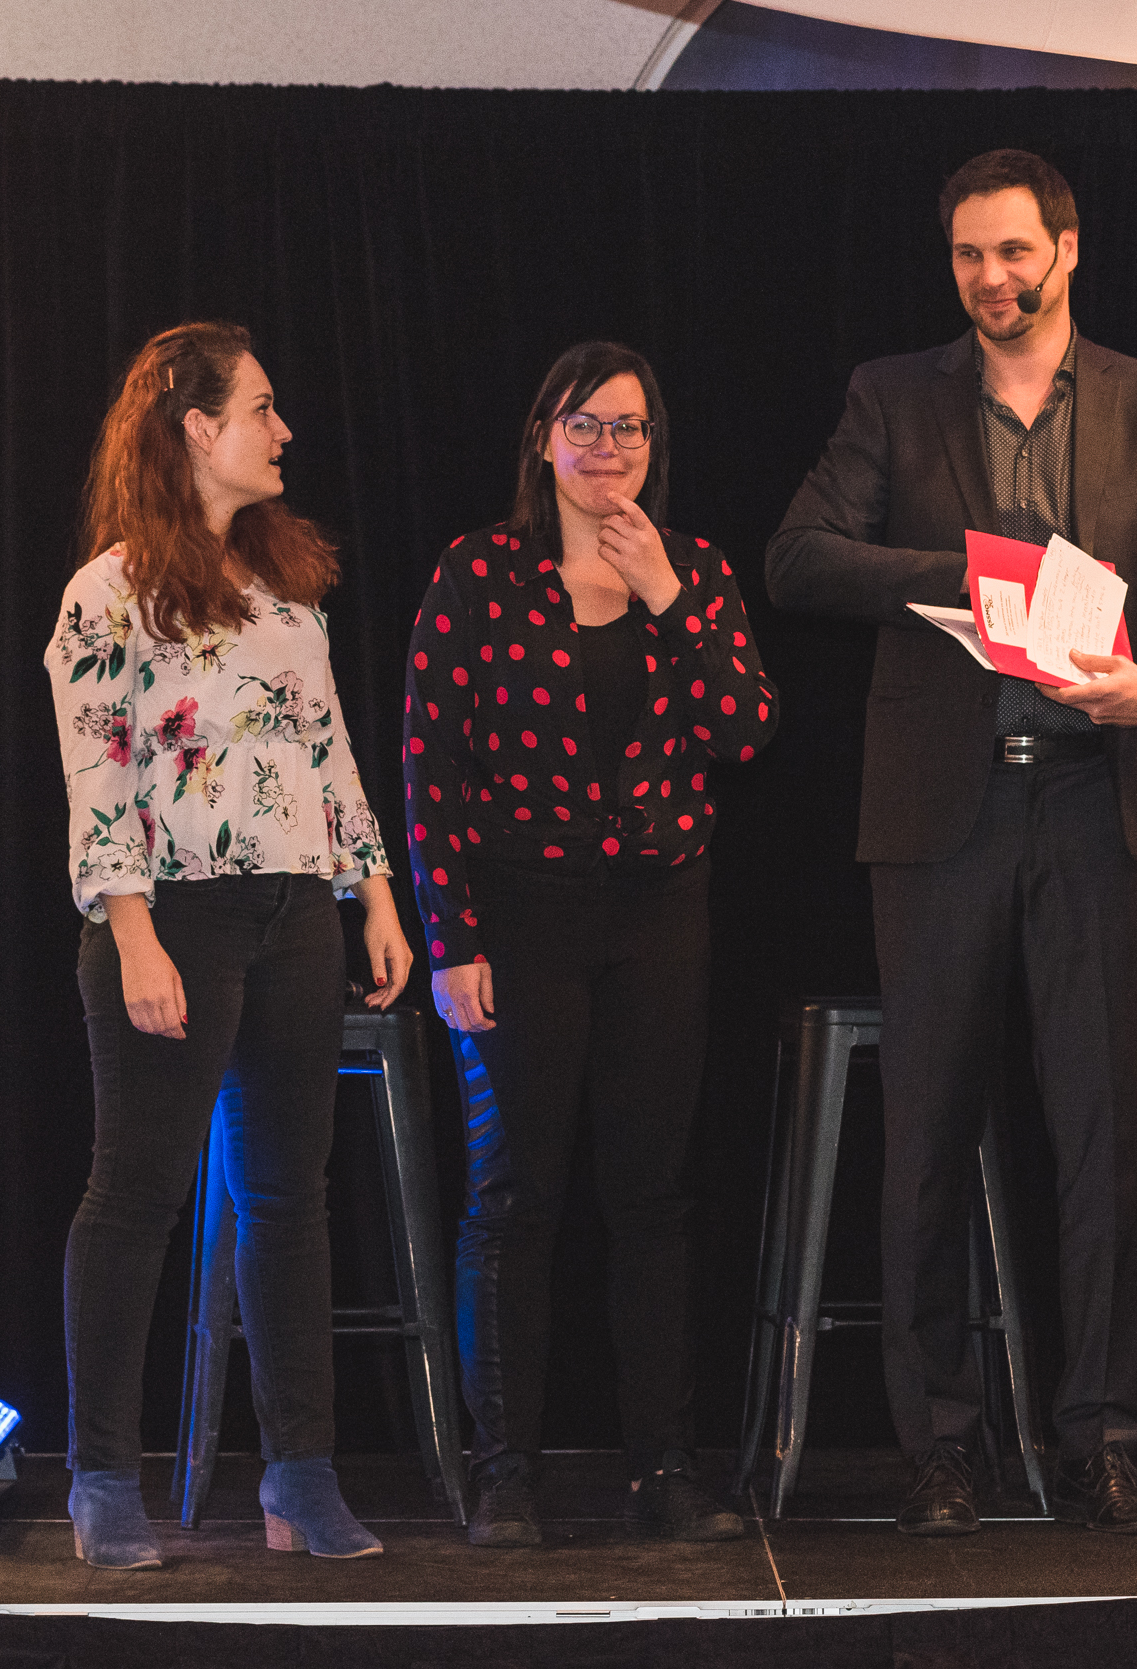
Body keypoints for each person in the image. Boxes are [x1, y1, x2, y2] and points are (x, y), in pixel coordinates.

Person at [766, 150, 1137, 1537]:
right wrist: (970, 572)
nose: (991, 278)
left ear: (1067, 250)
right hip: (941, 814)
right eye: (970, 255)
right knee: (927, 1135)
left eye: (1014, 252)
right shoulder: (893, 394)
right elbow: (798, 557)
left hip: (1096, 799)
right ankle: (940, 1445)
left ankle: (1102, 1440)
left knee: (1105, 1136)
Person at [47, 321, 411, 1569]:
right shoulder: (107, 594)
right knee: (135, 1197)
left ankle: (300, 1476)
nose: (282, 429)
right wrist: (134, 934)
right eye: (261, 407)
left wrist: (373, 891)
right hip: (175, 916)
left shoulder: (280, 586)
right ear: (198, 428)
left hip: (294, 910)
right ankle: (104, 1480)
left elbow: (329, 745)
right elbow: (97, 775)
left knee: (288, 1198)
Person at [403, 341, 779, 1548]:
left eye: (629, 428)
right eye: (585, 426)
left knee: (651, 1195)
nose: (608, 449)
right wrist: (451, 937)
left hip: (659, 913)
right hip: (520, 916)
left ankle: (663, 1465)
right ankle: (505, 1470)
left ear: (653, 446)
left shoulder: (696, 572)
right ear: (543, 440)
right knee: (514, 1195)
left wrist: (667, 596)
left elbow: (745, 730)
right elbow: (430, 767)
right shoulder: (480, 572)